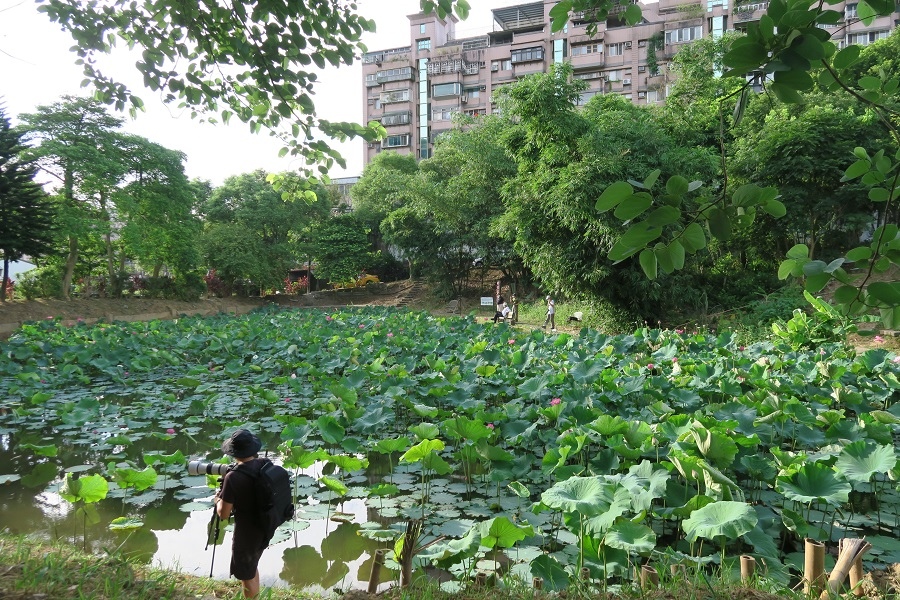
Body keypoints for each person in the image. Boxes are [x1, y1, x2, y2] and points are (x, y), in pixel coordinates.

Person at [215, 429, 268, 598]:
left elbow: (223, 514)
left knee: (245, 573)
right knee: (250, 566)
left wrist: (218, 500)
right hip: (265, 524)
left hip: (247, 532)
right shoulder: (264, 464)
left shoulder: (233, 478)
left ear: (233, 453)